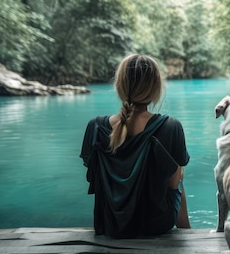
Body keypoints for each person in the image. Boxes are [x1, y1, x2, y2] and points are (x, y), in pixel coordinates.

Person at [80, 54, 191, 238]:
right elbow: (173, 185)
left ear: (120, 86)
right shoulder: (170, 127)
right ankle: (186, 231)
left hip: (109, 227)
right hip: (155, 226)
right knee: (178, 174)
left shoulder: (95, 127)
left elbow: (94, 180)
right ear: (156, 88)